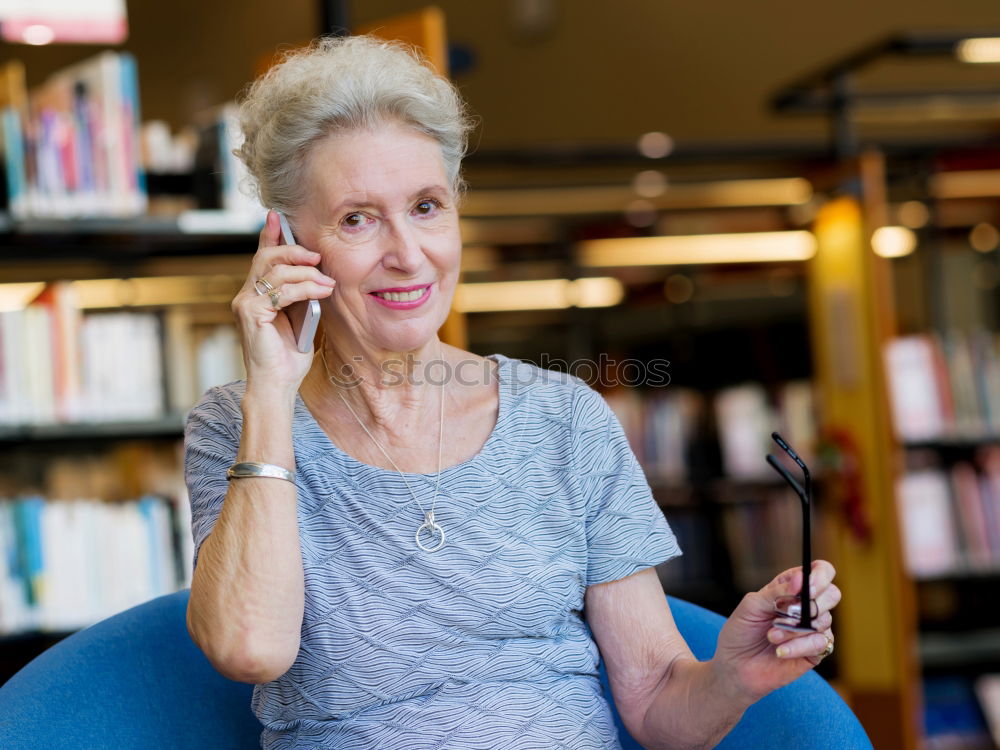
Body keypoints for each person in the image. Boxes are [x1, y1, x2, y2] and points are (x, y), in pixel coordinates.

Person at [184, 34, 841, 750]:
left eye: (428, 207)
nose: (408, 253)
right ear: (284, 240)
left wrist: (732, 676)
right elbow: (249, 648)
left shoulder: (563, 418)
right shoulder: (237, 426)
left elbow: (656, 703)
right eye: (357, 218)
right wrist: (272, 393)